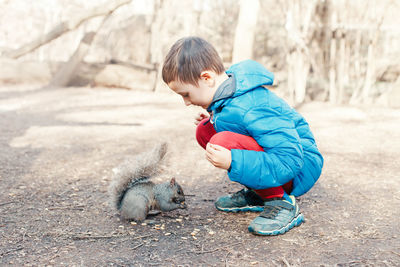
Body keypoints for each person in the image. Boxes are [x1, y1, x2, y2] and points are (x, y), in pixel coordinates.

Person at [161, 36, 323, 236]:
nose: (186, 102)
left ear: (207, 78)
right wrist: (214, 118)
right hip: (282, 162)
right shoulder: (229, 97)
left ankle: (281, 203)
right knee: (205, 130)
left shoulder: (253, 104)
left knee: (222, 143)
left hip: (298, 167)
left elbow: (289, 158)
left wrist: (234, 159)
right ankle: (259, 194)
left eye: (186, 94)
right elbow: (241, 123)